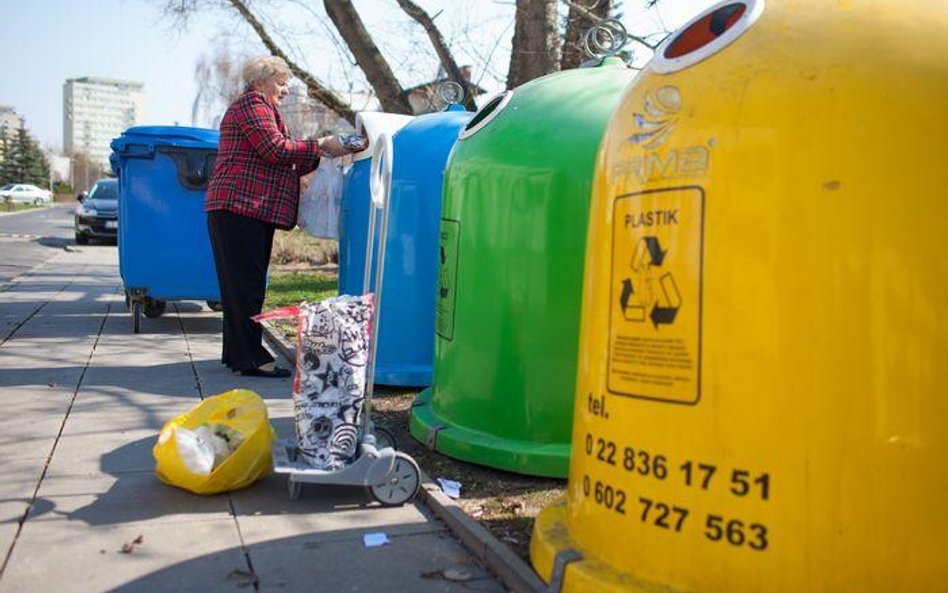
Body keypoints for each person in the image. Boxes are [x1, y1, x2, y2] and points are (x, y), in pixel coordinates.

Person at [205, 55, 357, 378]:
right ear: (261, 80)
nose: (286, 90)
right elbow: (275, 149)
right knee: (246, 286)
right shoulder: (253, 106)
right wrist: (320, 145)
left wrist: (321, 155)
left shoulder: (264, 109)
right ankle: (251, 358)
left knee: (240, 286)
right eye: (282, 82)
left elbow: (284, 156)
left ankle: (237, 354)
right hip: (241, 206)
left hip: (241, 208)